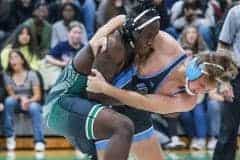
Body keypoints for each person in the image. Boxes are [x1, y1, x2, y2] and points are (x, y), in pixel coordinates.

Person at [44, 9, 160, 160]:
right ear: (135, 31)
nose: (151, 42)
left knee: (103, 151)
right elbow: (93, 93)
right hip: (61, 105)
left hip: (78, 105)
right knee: (123, 127)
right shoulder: (113, 48)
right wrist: (137, 99)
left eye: (154, 36)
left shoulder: (133, 47)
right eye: (148, 36)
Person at [87, 48, 238, 160]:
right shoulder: (168, 48)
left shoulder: (188, 101)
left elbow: (143, 102)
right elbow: (125, 22)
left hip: (132, 107)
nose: (200, 91)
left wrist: (104, 88)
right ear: (195, 70)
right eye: (202, 85)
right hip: (104, 95)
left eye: (206, 91)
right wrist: (98, 42)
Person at [3, 50, 45, 151]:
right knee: (8, 101)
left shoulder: (32, 74)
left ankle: (39, 141)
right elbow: (11, 94)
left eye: (16, 57)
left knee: (34, 107)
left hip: (32, 101)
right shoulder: (7, 75)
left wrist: (28, 101)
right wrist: (21, 98)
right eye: (11, 58)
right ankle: (10, 137)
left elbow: (38, 96)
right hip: (17, 101)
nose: (13, 60)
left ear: (22, 60)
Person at [213, 4, 240, 160]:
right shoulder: (236, 12)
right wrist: (223, 81)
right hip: (236, 76)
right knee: (228, 131)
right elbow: (223, 47)